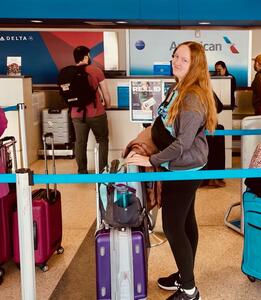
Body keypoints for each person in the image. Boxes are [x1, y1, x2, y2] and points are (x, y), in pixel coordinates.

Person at [126, 41, 217, 300]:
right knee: (186, 221)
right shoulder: (179, 87)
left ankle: (189, 290)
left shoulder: (191, 97)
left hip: (184, 169)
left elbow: (182, 144)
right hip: (179, 166)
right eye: (175, 56)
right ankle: (183, 274)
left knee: (174, 226)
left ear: (195, 66)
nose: (176, 61)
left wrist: (151, 160)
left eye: (183, 59)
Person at [70, 46, 111, 173]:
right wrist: (107, 105)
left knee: (80, 143)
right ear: (86, 57)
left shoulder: (69, 72)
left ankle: (82, 171)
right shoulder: (96, 71)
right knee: (102, 140)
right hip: (96, 112)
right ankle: (102, 171)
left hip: (76, 114)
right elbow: (106, 94)